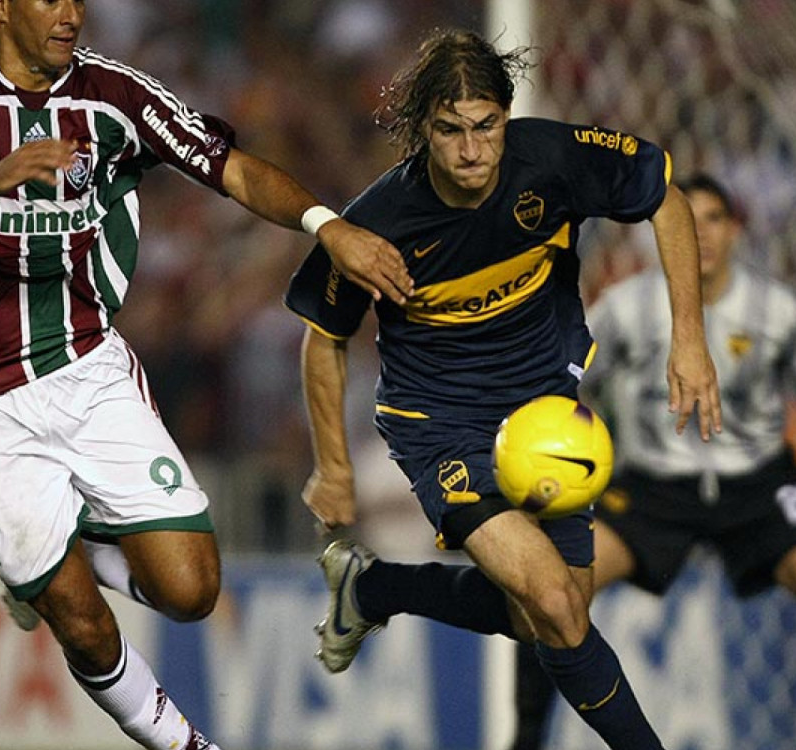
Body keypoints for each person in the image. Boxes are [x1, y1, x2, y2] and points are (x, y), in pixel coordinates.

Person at [0, 2, 413, 749]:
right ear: (0, 4)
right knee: (79, 621)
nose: (70, 14)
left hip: (87, 370)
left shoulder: (114, 95)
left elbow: (231, 169)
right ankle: (185, 743)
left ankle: (69, 543)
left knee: (191, 589)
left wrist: (328, 225)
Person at [285, 29, 721, 750]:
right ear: (424, 128)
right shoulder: (381, 222)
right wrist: (333, 466)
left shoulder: (551, 160)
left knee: (550, 615)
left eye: (486, 126)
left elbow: (666, 204)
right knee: (556, 604)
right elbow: (324, 336)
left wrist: (690, 339)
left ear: (506, 114)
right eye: (451, 131)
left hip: (547, 414)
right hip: (440, 424)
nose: (471, 150)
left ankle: (374, 589)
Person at [508, 173, 796, 750]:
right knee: (552, 596)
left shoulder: (777, 310)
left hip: (758, 485)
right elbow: (565, 388)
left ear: (737, 229)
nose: (701, 234)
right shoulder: (625, 309)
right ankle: (524, 741)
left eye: (713, 218)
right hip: (652, 488)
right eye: (684, 220)